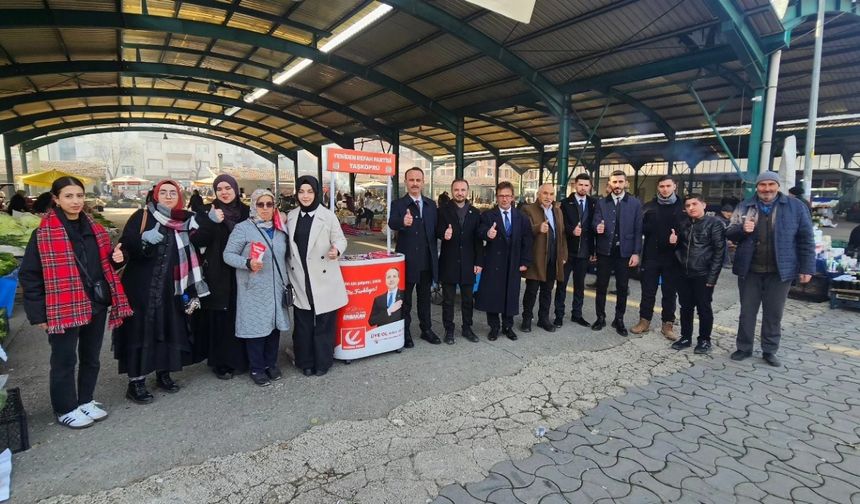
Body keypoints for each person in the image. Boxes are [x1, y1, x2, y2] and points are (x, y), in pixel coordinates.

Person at [19, 177, 132, 429]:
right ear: (56, 199)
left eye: (79, 196)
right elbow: (30, 275)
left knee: (91, 356)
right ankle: (65, 407)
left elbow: (107, 267)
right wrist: (38, 315)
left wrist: (117, 259)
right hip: (63, 306)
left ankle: (85, 399)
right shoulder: (43, 235)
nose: (76, 201)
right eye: (69, 196)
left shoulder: (96, 231)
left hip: (96, 302)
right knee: (64, 360)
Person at [113, 179, 208, 403]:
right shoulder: (142, 216)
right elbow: (125, 245)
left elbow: (201, 243)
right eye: (163, 192)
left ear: (179, 196)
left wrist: (209, 222)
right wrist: (141, 240)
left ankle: (162, 373)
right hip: (142, 287)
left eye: (172, 192)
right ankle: (135, 383)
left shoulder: (185, 220)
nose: (167, 196)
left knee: (168, 328)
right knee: (141, 331)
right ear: (155, 195)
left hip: (173, 287)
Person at [726, 171, 815, 367]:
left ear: (778, 186)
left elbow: (806, 239)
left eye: (770, 185)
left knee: (774, 313)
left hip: (780, 271)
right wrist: (742, 230)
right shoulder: (745, 206)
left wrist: (807, 267)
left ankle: (769, 350)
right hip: (750, 270)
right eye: (762, 185)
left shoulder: (795, 207)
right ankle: (744, 347)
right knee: (747, 312)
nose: (767, 189)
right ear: (757, 187)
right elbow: (730, 232)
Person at [223, 189, 291, 385]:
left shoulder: (280, 229)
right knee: (256, 329)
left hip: (276, 286)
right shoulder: (243, 228)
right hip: (253, 288)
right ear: (254, 205)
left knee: (274, 327)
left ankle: (271, 364)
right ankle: (257, 368)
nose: (265, 208)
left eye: (269, 204)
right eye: (261, 204)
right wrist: (247, 262)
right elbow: (228, 255)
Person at [286, 176, 348, 377]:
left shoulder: (327, 215)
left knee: (324, 322)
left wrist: (336, 250)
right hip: (300, 276)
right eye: (301, 191)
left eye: (309, 191)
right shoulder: (291, 216)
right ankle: (305, 362)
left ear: (317, 193)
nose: (305, 196)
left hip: (323, 276)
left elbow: (340, 238)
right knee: (303, 323)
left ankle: (323, 361)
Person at [189, 174, 250, 380]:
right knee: (220, 317)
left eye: (228, 188)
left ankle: (241, 358)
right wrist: (210, 222)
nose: (224, 192)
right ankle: (221, 361)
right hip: (217, 272)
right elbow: (195, 241)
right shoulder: (205, 212)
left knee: (240, 313)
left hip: (243, 269)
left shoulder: (246, 212)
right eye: (220, 189)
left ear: (235, 189)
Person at [388, 167, 439, 347]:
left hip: (427, 259)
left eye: (418, 180)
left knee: (425, 298)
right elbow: (391, 222)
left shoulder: (431, 204)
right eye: (412, 180)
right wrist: (402, 222)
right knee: (406, 300)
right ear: (406, 182)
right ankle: (405, 332)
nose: (415, 183)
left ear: (423, 183)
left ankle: (426, 329)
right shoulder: (399, 204)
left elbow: (437, 228)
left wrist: (446, 232)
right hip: (407, 260)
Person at [475, 181, 533, 341]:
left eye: (507, 196)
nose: (504, 199)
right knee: (493, 295)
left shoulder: (521, 217)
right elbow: (479, 233)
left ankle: (508, 326)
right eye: (501, 196)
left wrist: (525, 261)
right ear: (497, 197)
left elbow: (527, 240)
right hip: (493, 263)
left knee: (510, 294)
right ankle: (494, 327)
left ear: (513, 197)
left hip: (513, 262)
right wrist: (487, 233)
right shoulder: (487, 215)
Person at [669, 194, 725, 354]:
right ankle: (686, 337)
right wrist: (673, 242)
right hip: (683, 274)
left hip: (703, 274)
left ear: (704, 205)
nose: (691, 208)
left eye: (694, 204)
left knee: (704, 308)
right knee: (686, 307)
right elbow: (678, 249)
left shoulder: (714, 224)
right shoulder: (683, 223)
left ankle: (704, 340)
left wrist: (712, 278)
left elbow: (718, 253)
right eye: (687, 205)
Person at [631, 175, 685, 339]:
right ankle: (644, 321)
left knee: (669, 293)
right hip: (651, 256)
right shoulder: (648, 207)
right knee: (648, 291)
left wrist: (678, 239)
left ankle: (667, 324)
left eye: (668, 186)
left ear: (674, 186)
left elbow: (690, 231)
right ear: (658, 188)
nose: (665, 189)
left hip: (672, 258)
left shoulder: (683, 208)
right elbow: (639, 230)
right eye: (661, 186)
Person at [592, 170, 643, 336]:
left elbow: (638, 229)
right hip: (605, 251)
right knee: (601, 286)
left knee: (622, 287)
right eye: (614, 182)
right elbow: (595, 222)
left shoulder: (635, 203)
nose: (617, 185)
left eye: (621, 182)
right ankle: (600, 317)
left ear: (626, 183)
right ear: (609, 184)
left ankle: (619, 319)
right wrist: (597, 227)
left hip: (625, 252)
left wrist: (636, 253)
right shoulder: (601, 203)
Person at [436, 178, 483, 343]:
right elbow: (437, 230)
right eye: (456, 190)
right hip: (449, 262)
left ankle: (467, 328)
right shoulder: (442, 210)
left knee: (468, 299)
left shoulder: (475, 212)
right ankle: (449, 330)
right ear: (452, 191)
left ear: (467, 191)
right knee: (448, 300)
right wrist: (444, 234)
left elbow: (478, 240)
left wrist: (479, 262)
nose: (460, 193)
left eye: (463, 190)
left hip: (469, 263)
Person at [521, 183, 567, 333]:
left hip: (553, 259)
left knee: (547, 291)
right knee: (531, 291)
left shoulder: (557, 211)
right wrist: (537, 228)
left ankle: (543, 319)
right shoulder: (528, 209)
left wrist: (563, 255)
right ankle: (526, 319)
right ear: (538, 195)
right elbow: (523, 231)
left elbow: (562, 235)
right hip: (536, 259)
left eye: (551, 194)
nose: (548, 197)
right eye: (545, 193)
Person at [555, 173, 596, 328]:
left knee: (579, 286)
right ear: (575, 185)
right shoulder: (565, 204)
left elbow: (595, 227)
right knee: (561, 285)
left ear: (590, 186)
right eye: (580, 185)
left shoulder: (594, 203)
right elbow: (560, 225)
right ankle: (559, 315)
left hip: (584, 253)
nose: (583, 188)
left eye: (586, 185)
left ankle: (576, 314)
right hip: (567, 252)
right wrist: (572, 230)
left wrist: (593, 251)